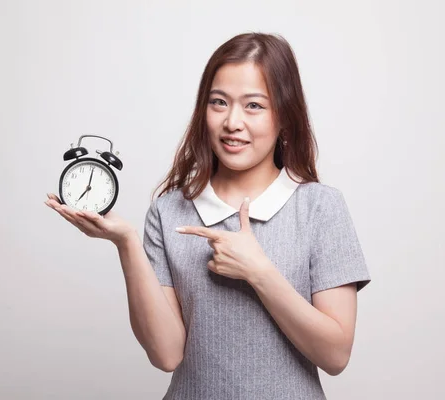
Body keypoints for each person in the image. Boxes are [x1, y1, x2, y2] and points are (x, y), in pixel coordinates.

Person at [45, 32, 371, 400]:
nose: (232, 122)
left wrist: (258, 271)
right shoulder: (169, 211)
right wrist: (126, 244)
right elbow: (167, 354)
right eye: (219, 102)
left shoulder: (320, 208)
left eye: (254, 106)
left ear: (284, 117)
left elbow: (335, 354)